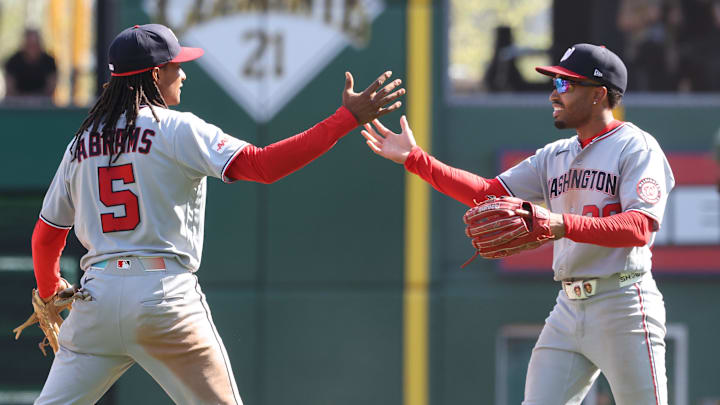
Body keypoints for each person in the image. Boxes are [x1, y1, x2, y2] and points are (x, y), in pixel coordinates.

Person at [32, 23, 404, 404]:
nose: (184, 72)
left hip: (98, 300)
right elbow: (264, 166)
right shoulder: (176, 128)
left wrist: (49, 291)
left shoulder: (81, 143)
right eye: (177, 64)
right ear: (156, 73)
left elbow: (46, 235)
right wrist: (345, 119)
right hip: (163, 296)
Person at [362, 44, 674, 404]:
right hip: (569, 307)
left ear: (599, 94)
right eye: (556, 83)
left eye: (566, 85)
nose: (554, 93)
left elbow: (640, 227)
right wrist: (416, 160)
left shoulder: (636, 147)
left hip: (624, 302)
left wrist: (559, 223)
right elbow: (489, 193)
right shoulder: (555, 155)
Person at [4, 28, 57, 100]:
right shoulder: (12, 61)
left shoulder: (49, 61)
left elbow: (51, 87)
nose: (32, 49)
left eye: (35, 45)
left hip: (43, 104)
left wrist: (36, 99)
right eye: (29, 45)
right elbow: (10, 88)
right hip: (16, 104)